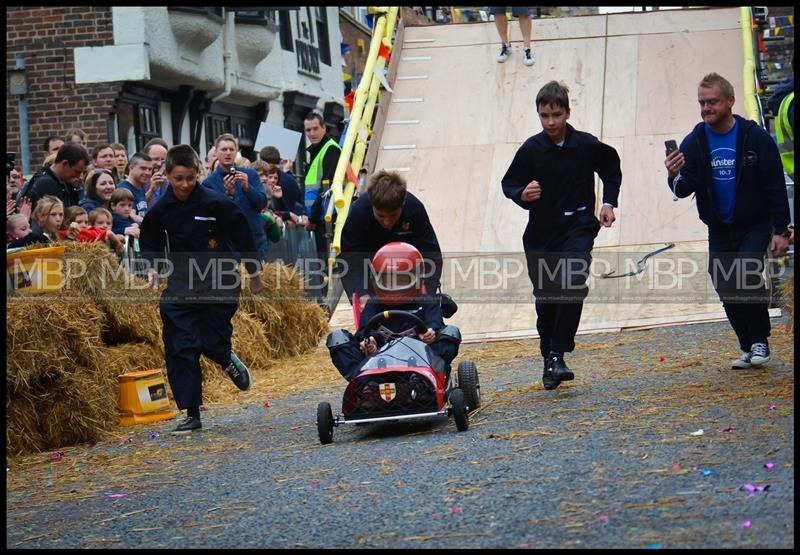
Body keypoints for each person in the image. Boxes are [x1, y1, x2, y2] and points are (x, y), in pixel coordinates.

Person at [664, 72, 790, 369]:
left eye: (712, 102)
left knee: (746, 275)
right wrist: (673, 175)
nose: (706, 108)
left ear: (730, 101)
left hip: (754, 223)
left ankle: (760, 340)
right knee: (725, 283)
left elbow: (774, 184)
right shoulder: (695, 141)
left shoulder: (754, 137)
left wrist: (782, 230)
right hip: (719, 227)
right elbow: (684, 189)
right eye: (702, 103)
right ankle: (746, 346)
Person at [501, 80, 621, 390]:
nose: (551, 122)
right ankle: (549, 360)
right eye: (544, 116)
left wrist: (608, 202)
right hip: (541, 234)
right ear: (538, 115)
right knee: (547, 300)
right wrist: (521, 194)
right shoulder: (531, 149)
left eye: (556, 115)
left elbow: (611, 167)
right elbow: (509, 183)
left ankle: (558, 352)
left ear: (567, 112)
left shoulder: (585, 145)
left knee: (573, 280)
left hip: (578, 227)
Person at [139, 144, 265, 434]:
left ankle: (224, 356)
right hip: (181, 285)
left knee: (212, 342)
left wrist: (254, 273)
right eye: (178, 178)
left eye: (190, 178)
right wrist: (152, 267)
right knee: (180, 345)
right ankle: (191, 412)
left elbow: (242, 234)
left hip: (219, 280)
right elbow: (150, 241)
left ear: (198, 174)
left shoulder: (215, 203)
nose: (184, 185)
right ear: (168, 175)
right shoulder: (162, 209)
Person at [327, 242, 461, 381]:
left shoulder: (427, 302)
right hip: (378, 365)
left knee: (450, 333)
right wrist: (370, 341)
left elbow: (435, 323)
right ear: (377, 279)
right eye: (388, 280)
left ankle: (425, 380)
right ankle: (363, 383)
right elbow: (363, 332)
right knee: (338, 339)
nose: (394, 286)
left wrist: (431, 332)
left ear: (416, 277)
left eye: (402, 280)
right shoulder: (373, 304)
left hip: (420, 362)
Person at [340, 169, 443, 312]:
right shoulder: (359, 213)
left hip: (409, 277)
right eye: (381, 216)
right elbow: (349, 259)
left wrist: (428, 294)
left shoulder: (415, 209)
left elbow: (431, 254)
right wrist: (360, 294)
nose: (387, 222)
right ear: (372, 206)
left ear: (402, 205)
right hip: (373, 275)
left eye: (393, 216)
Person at [202, 133, 269, 261]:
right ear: (216, 152)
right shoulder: (208, 183)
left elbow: (262, 203)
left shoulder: (250, 174)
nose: (228, 153)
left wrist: (247, 187)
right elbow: (212, 215)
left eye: (231, 149)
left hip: (254, 240)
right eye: (224, 149)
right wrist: (229, 195)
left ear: (236, 152)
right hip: (228, 244)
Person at [303, 112, 342, 301]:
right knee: (322, 265)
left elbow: (324, 190)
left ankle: (326, 302)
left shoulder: (330, 149)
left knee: (326, 265)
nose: (311, 133)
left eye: (315, 128)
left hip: (326, 218)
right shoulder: (317, 150)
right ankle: (324, 301)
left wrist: (311, 218)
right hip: (320, 218)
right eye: (308, 130)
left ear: (324, 128)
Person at [23, 143, 91, 209]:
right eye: (77, 172)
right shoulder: (45, 185)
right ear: (65, 163)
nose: (80, 177)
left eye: (83, 173)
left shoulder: (61, 183)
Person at [117, 153, 156, 217]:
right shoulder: (123, 189)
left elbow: (140, 203)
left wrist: (152, 190)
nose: (147, 173)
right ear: (131, 168)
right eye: (143, 168)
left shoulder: (139, 186)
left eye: (150, 169)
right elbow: (131, 216)